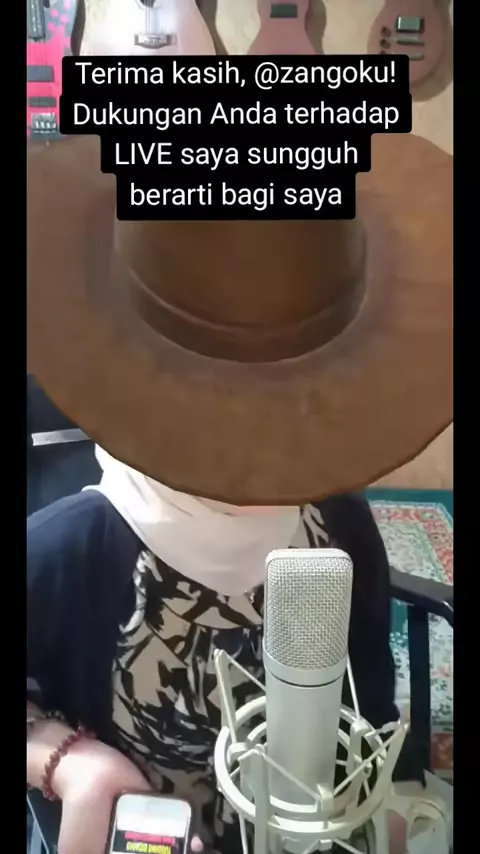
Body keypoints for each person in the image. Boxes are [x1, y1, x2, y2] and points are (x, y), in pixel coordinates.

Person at [27, 132, 453, 854]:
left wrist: (374, 803)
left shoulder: (342, 529)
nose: (272, 455)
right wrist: (66, 761)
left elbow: (371, 706)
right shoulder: (63, 551)